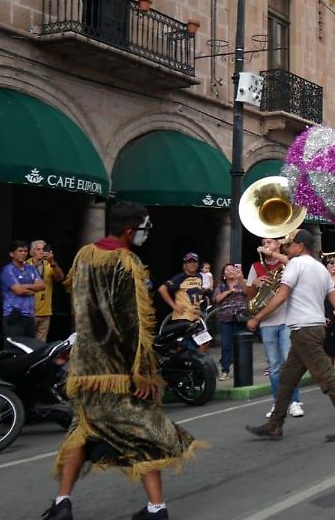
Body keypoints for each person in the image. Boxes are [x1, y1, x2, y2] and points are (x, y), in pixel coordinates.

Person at [43, 203, 197, 520]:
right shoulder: (127, 261)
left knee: (80, 430)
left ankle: (62, 503)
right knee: (143, 431)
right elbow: (133, 322)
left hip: (86, 367)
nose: (145, 234)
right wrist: (141, 372)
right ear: (129, 230)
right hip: (119, 368)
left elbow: (73, 290)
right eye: (143, 228)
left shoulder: (85, 254)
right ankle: (157, 509)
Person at [244, 229, 335, 441]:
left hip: (304, 330)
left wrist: (257, 318)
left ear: (300, 246)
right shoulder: (320, 268)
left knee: (327, 378)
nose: (286, 248)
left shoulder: (295, 265)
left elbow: (280, 297)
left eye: (289, 245)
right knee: (287, 380)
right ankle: (275, 424)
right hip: (311, 329)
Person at [246, 237, 300, 419]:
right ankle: (278, 402)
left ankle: (294, 401)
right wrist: (254, 285)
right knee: (274, 366)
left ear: (278, 244)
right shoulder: (256, 266)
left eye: (269, 242)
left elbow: (293, 264)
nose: (265, 245)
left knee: (288, 362)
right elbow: (249, 296)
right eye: (263, 242)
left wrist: (272, 254)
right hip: (267, 322)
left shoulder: (287, 262)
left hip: (286, 319)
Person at [1, 240, 44, 339]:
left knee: (30, 349)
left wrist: (24, 286)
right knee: (15, 349)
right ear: (12, 254)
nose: (23, 253)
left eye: (25, 251)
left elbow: (42, 286)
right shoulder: (7, 270)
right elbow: (18, 291)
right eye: (20, 251)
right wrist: (33, 289)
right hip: (14, 315)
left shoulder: (31, 268)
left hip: (30, 316)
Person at [213, 264, 247, 381]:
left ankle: (241, 370)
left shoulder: (242, 282)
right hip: (226, 319)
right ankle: (225, 371)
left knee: (241, 345)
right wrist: (228, 292)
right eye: (227, 270)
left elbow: (248, 292)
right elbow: (217, 299)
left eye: (232, 269)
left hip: (241, 318)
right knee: (226, 345)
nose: (230, 271)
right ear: (224, 275)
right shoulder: (221, 286)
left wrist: (241, 277)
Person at [30, 240, 66, 342]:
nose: (41, 252)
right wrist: (35, 266)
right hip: (28, 313)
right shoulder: (25, 265)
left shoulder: (49, 265)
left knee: (40, 344)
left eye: (43, 249)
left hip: (45, 313)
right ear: (31, 252)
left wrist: (53, 262)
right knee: (28, 343)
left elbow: (60, 278)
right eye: (38, 249)